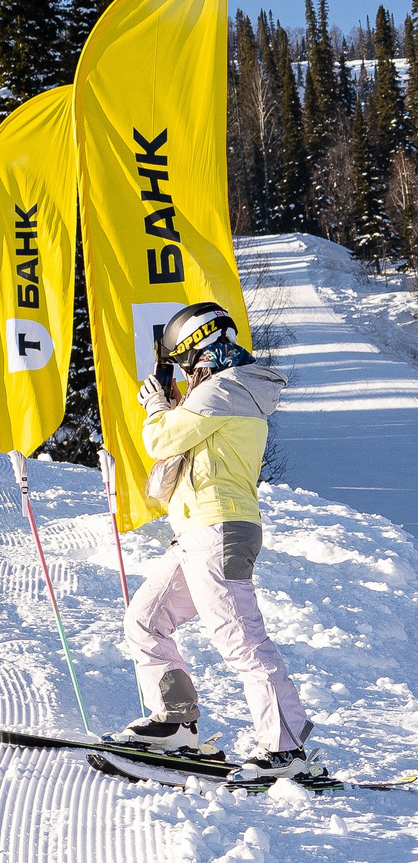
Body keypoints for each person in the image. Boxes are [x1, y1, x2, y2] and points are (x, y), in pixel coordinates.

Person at [116, 301, 321, 783]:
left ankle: (284, 748)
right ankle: (175, 723)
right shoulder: (218, 390)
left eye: (181, 359)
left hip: (220, 528)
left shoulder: (229, 388)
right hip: (195, 532)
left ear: (198, 346)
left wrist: (156, 406)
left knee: (241, 641)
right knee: (145, 621)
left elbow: (162, 439)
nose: (182, 371)